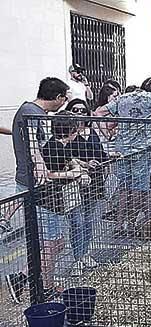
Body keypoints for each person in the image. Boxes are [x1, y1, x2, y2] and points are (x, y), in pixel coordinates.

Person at [94, 77, 151, 236]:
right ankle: (132, 223)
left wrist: (108, 133)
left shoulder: (123, 98)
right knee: (139, 189)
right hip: (142, 151)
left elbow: (98, 112)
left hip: (122, 149)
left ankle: (119, 224)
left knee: (124, 188)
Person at [7, 78, 70, 302]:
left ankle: (27, 278)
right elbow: (33, 143)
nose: (65, 102)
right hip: (37, 184)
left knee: (54, 241)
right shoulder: (32, 113)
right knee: (51, 242)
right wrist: (41, 167)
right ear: (57, 98)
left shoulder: (28, 111)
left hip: (33, 182)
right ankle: (38, 284)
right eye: (64, 97)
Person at [40, 112, 92, 286]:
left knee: (70, 230)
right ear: (71, 130)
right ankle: (36, 279)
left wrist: (80, 168)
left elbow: (70, 160)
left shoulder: (63, 145)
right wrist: (72, 174)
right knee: (55, 242)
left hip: (67, 194)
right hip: (52, 199)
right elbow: (48, 174)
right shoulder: (52, 147)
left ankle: (78, 259)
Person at [66, 100, 109, 274]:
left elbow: (99, 153)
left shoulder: (92, 132)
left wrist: (108, 157)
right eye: (75, 110)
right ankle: (77, 258)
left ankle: (85, 254)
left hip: (94, 182)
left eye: (82, 110)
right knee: (77, 221)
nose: (79, 113)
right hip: (74, 183)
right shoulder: (66, 134)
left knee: (89, 220)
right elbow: (65, 158)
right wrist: (85, 164)